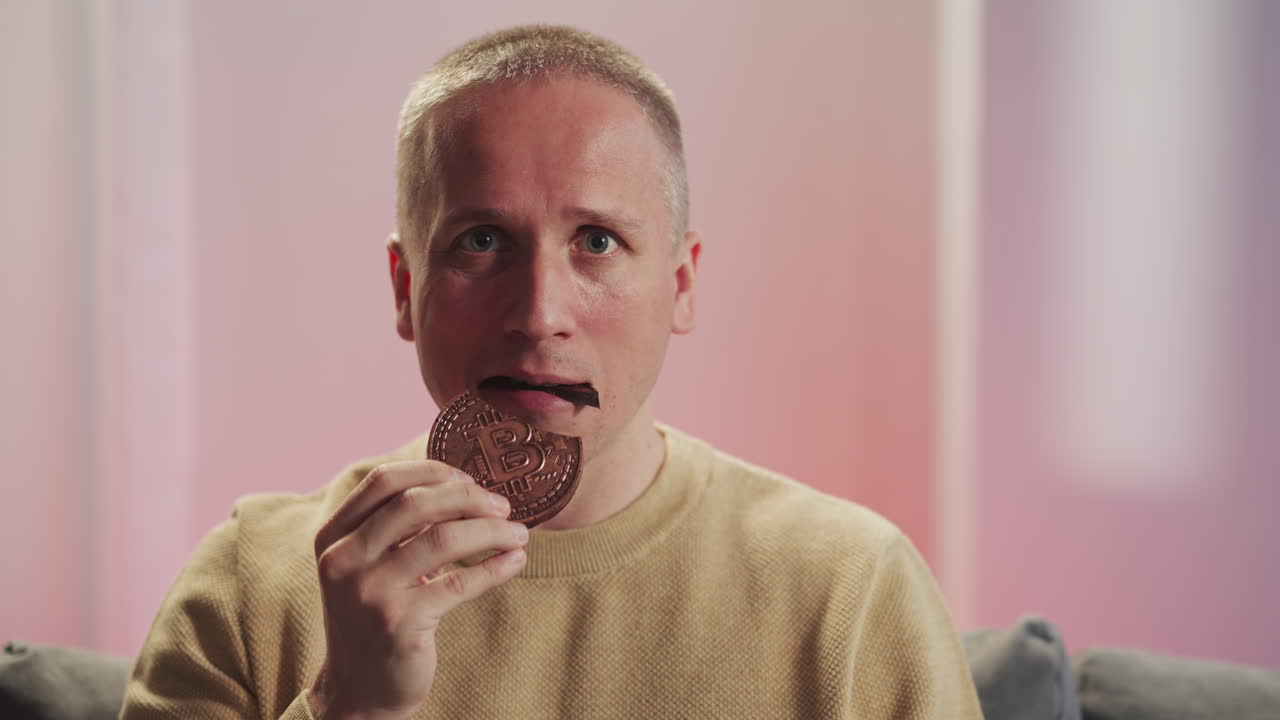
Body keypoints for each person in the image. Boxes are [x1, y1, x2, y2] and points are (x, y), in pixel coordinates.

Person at [120, 25, 982, 719]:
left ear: (680, 283)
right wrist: (348, 707)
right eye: (482, 241)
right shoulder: (252, 589)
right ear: (404, 286)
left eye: (597, 242)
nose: (538, 312)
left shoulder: (850, 594)